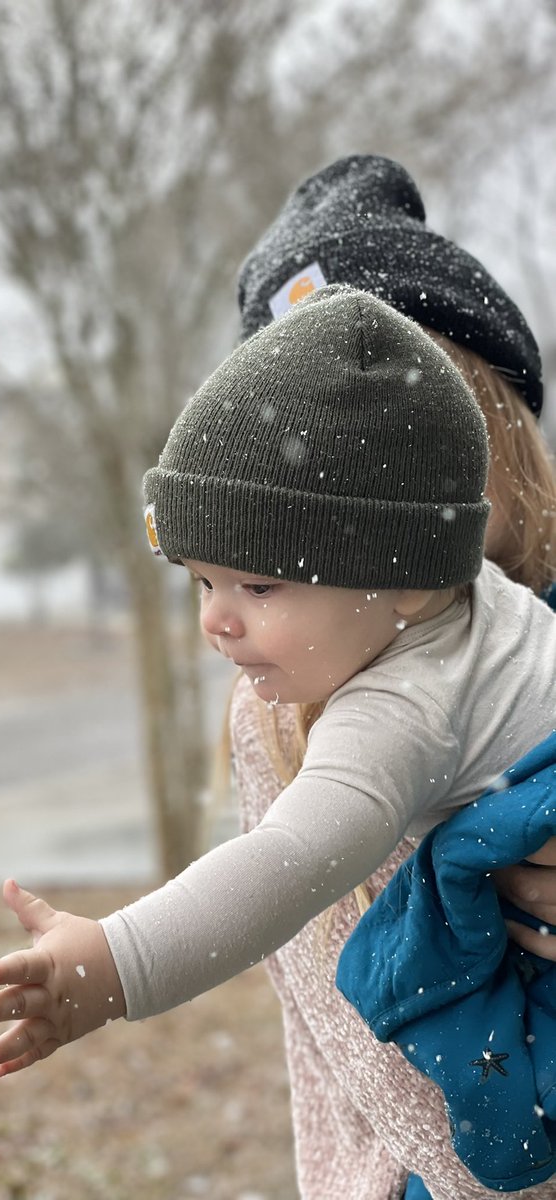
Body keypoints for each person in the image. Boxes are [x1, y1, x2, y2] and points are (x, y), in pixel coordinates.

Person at [0, 285, 556, 1195]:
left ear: (401, 579)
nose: (217, 625)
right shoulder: (487, 607)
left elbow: (285, 863)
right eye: (203, 584)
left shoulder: (399, 708)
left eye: (259, 588)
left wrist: (115, 964)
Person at [232, 154, 556, 1199]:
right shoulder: (276, 715)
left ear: (494, 422)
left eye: (410, 436)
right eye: (310, 469)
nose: (373, 500)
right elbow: (352, 1049)